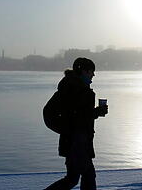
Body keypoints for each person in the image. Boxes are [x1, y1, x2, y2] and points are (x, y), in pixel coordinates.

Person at [45, 57, 108, 190]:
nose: (93, 75)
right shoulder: (74, 89)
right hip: (76, 142)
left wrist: (94, 113)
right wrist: (96, 112)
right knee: (87, 175)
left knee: (73, 178)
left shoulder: (74, 88)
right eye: (91, 71)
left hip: (77, 141)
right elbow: (78, 117)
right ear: (84, 71)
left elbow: (78, 115)